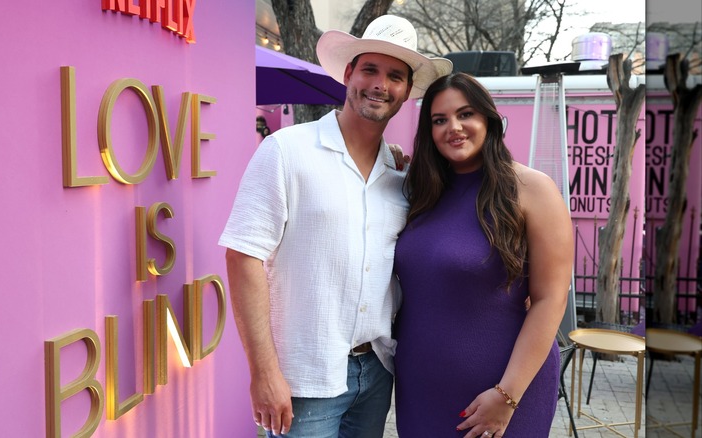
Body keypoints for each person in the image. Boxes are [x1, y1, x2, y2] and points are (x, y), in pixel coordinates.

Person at [219, 15, 452, 438]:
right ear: (349, 74)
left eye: (395, 76)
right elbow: (242, 256)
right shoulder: (287, 151)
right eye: (370, 69)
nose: (380, 84)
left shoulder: (400, 175)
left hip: (377, 371)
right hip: (302, 378)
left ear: (405, 92)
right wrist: (264, 373)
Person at [392, 72, 573, 437]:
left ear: (489, 119)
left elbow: (550, 298)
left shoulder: (531, 188)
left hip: (502, 392)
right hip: (420, 388)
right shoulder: (421, 190)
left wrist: (507, 396)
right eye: (439, 120)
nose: (453, 127)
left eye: (466, 114)